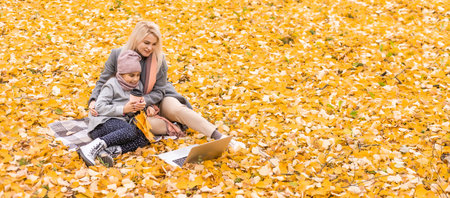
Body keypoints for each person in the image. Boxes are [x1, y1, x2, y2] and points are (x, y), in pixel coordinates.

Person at [88, 21, 245, 160]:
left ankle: (222, 137)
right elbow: (103, 80)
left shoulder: (159, 60)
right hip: (129, 106)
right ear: (137, 39)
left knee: (176, 108)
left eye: (154, 44)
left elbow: (159, 91)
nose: (150, 48)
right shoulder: (118, 55)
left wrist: (145, 102)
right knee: (143, 127)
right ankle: (178, 126)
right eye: (146, 43)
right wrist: (94, 100)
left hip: (158, 98)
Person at [78, 50, 155, 166]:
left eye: (138, 75)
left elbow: (135, 106)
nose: (135, 79)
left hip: (120, 126)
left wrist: (146, 106)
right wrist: (123, 109)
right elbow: (99, 107)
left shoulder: (138, 86)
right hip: (102, 124)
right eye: (131, 75)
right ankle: (90, 147)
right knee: (130, 130)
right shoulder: (112, 85)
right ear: (122, 73)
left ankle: (107, 151)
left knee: (145, 136)